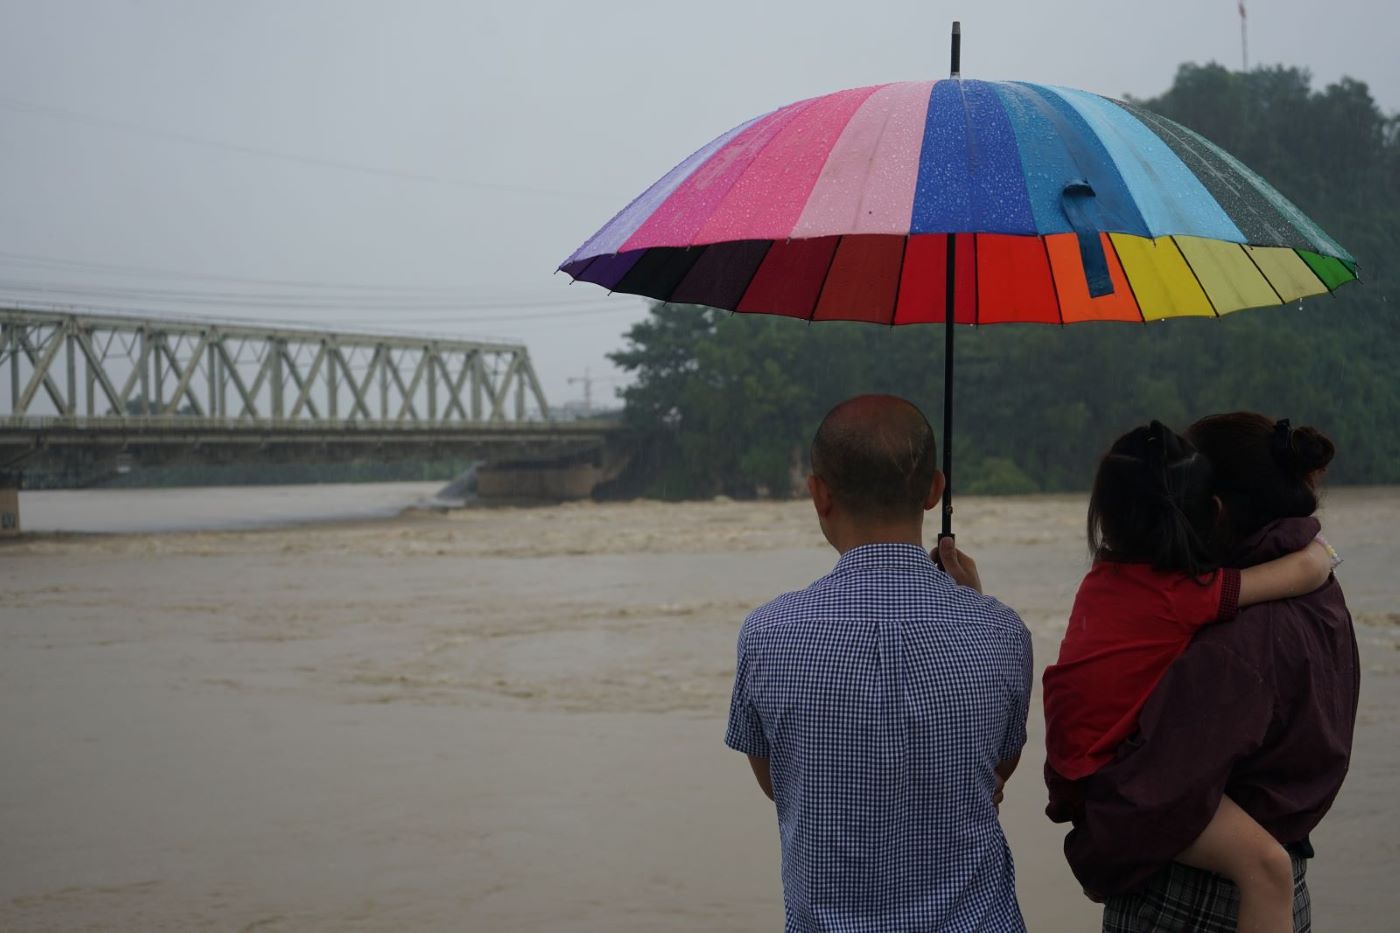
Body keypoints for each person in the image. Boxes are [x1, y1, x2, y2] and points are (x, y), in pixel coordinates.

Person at [725, 394, 1032, 932]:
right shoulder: (1001, 632)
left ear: (819, 494)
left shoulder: (767, 634)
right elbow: (997, 771)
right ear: (935, 490)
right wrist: (976, 603)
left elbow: (780, 782)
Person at [1048, 413, 1360, 932]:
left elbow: (1150, 802)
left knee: (1264, 868)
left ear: (1213, 512)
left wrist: (1093, 835)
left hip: (1195, 903)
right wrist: (1322, 553)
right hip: (1282, 886)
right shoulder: (1321, 603)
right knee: (1269, 868)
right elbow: (1306, 567)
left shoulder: (1199, 623)